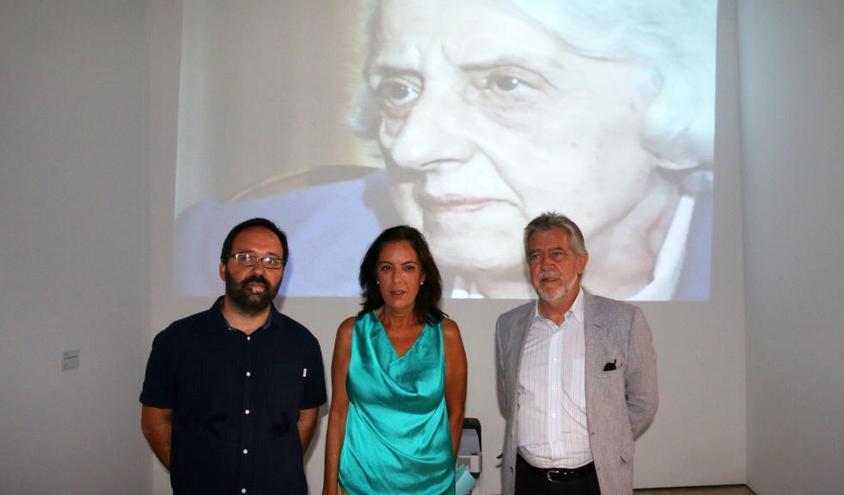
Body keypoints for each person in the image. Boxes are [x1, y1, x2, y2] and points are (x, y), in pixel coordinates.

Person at [174, 0, 715, 301]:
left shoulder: (777, 276)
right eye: (399, 90)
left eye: (506, 83)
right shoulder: (216, 254)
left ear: (677, 100)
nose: (410, 148)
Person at [140, 218, 326, 494]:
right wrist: (190, 471)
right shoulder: (176, 341)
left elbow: (306, 419)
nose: (259, 270)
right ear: (223, 267)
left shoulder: (303, 345)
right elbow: (155, 420)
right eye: (247, 257)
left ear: (282, 273)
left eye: (272, 261)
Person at [495, 212, 658, 494]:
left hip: (595, 481)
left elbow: (643, 402)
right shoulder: (508, 326)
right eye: (535, 256)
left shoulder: (624, 321)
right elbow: (508, 399)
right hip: (527, 481)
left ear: (581, 261)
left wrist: (609, 442)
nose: (546, 264)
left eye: (557, 253)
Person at [323, 226, 467, 495]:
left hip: (430, 487)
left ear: (423, 275)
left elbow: (455, 412)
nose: (396, 279)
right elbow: (339, 413)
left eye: (408, 268)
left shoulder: (446, 335)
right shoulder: (351, 333)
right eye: (387, 268)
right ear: (375, 275)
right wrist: (329, 487)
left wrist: (443, 472)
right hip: (358, 485)